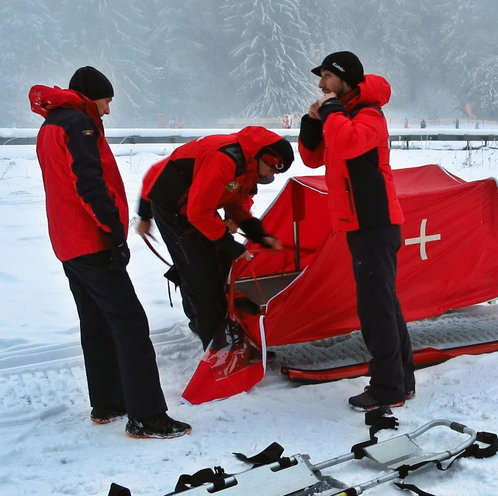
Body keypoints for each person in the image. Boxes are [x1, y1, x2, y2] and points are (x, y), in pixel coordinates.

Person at [28, 66, 191, 439]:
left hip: (67, 242)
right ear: (91, 97)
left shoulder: (51, 124)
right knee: (130, 323)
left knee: (97, 323)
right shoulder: (78, 124)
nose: (107, 110)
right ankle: (147, 416)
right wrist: (114, 235)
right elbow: (90, 185)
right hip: (91, 241)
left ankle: (108, 402)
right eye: (106, 101)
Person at [298, 51, 415, 411]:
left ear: (345, 79)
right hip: (359, 223)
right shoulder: (343, 116)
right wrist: (311, 120)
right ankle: (401, 380)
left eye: (328, 77)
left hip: (375, 223)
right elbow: (313, 158)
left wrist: (331, 112)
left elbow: (348, 144)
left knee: (375, 308)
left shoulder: (368, 115)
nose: (321, 84)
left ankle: (387, 387)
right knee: (384, 304)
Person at [136, 127, 293, 350]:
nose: (270, 176)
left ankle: (219, 326)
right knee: (202, 277)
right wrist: (144, 213)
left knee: (222, 267)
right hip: (174, 209)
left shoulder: (248, 167)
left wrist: (260, 235)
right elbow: (195, 210)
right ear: (264, 156)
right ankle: (217, 348)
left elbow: (235, 205)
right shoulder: (225, 158)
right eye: (272, 169)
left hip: (198, 208)